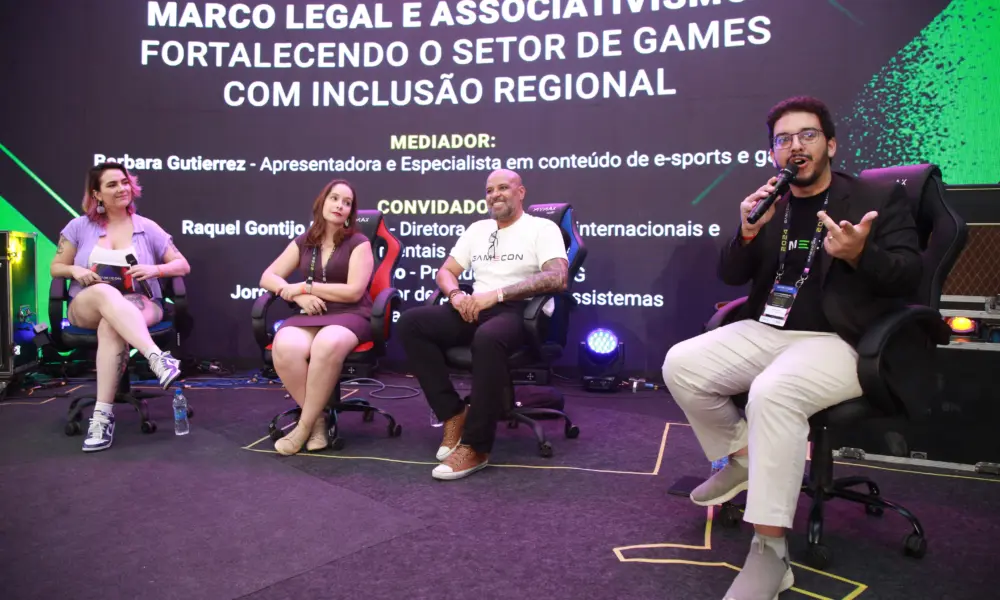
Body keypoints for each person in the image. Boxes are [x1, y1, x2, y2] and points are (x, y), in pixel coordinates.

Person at [662, 96, 922, 600]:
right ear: (773, 152)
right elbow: (731, 274)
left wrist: (861, 254)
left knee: (772, 392)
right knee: (681, 364)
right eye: (783, 139)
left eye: (807, 135)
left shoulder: (875, 197)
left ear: (830, 145)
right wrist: (746, 232)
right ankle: (742, 458)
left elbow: (908, 275)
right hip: (769, 329)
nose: (795, 146)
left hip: (842, 338)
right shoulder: (771, 201)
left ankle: (770, 552)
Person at [397, 169, 569, 481]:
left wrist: (498, 294)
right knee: (412, 323)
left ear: (521, 192)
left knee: (488, 338)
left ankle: (476, 446)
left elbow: (557, 277)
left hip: (522, 312)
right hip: (476, 305)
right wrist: (456, 294)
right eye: (490, 190)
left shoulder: (541, 228)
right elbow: (446, 271)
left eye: (503, 188)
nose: (495, 195)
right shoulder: (478, 229)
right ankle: (453, 413)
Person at [51, 162, 190, 452]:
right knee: (105, 292)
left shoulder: (147, 227)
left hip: (140, 302)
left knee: (112, 324)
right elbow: (56, 267)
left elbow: (182, 265)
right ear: (96, 193)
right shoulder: (78, 227)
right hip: (88, 303)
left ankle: (101, 418)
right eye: (112, 184)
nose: (122, 188)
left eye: (125, 182)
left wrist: (155, 270)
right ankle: (156, 357)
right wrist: (75, 271)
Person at [259, 178, 374, 456]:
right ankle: (318, 420)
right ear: (322, 202)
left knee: (326, 343)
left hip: (350, 313)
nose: (340, 205)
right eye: (335, 198)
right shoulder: (305, 241)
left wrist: (306, 287)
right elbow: (268, 277)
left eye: (347, 203)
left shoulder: (359, 243)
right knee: (285, 345)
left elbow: (353, 291)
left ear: (351, 212)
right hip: (312, 312)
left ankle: (302, 427)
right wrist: (297, 296)